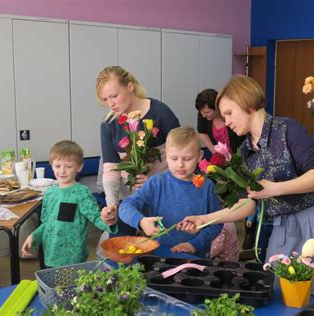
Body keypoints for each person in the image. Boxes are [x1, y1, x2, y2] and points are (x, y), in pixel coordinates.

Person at [179, 75, 314, 299]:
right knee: (278, 286)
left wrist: (274, 189)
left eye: (228, 113)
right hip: (287, 221)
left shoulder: (287, 129)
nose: (225, 122)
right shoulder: (246, 152)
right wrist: (204, 219)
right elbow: (247, 205)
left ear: (248, 104)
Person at [96, 66, 180, 236]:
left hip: (163, 196)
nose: (110, 104)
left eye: (114, 96)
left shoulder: (160, 112)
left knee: (163, 248)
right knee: (121, 251)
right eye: (105, 99)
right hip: (129, 201)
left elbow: (183, 159)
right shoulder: (108, 124)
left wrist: (153, 180)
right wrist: (112, 204)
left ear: (130, 86)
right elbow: (111, 168)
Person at [118, 127, 223, 258]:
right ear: (166, 155)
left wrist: (194, 244)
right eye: (174, 158)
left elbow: (217, 223)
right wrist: (141, 221)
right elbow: (126, 206)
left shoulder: (207, 186)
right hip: (159, 254)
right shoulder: (156, 183)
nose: (180, 165)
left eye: (187, 158)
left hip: (195, 255)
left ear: (199, 156)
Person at [21, 140, 117, 268]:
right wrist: (33, 237)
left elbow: (97, 218)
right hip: (50, 255)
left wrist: (109, 219)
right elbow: (46, 223)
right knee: (52, 287)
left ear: (79, 167)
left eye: (68, 166)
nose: (62, 171)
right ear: (51, 165)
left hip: (73, 259)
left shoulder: (82, 193)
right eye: (57, 166)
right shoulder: (49, 193)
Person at [195, 88, 251, 249]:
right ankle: (223, 220)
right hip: (220, 156)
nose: (204, 115)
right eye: (202, 112)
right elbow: (202, 132)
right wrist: (214, 151)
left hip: (238, 157)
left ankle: (248, 230)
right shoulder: (203, 116)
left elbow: (242, 142)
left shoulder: (231, 119)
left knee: (244, 190)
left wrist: (233, 158)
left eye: (207, 112)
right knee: (216, 185)